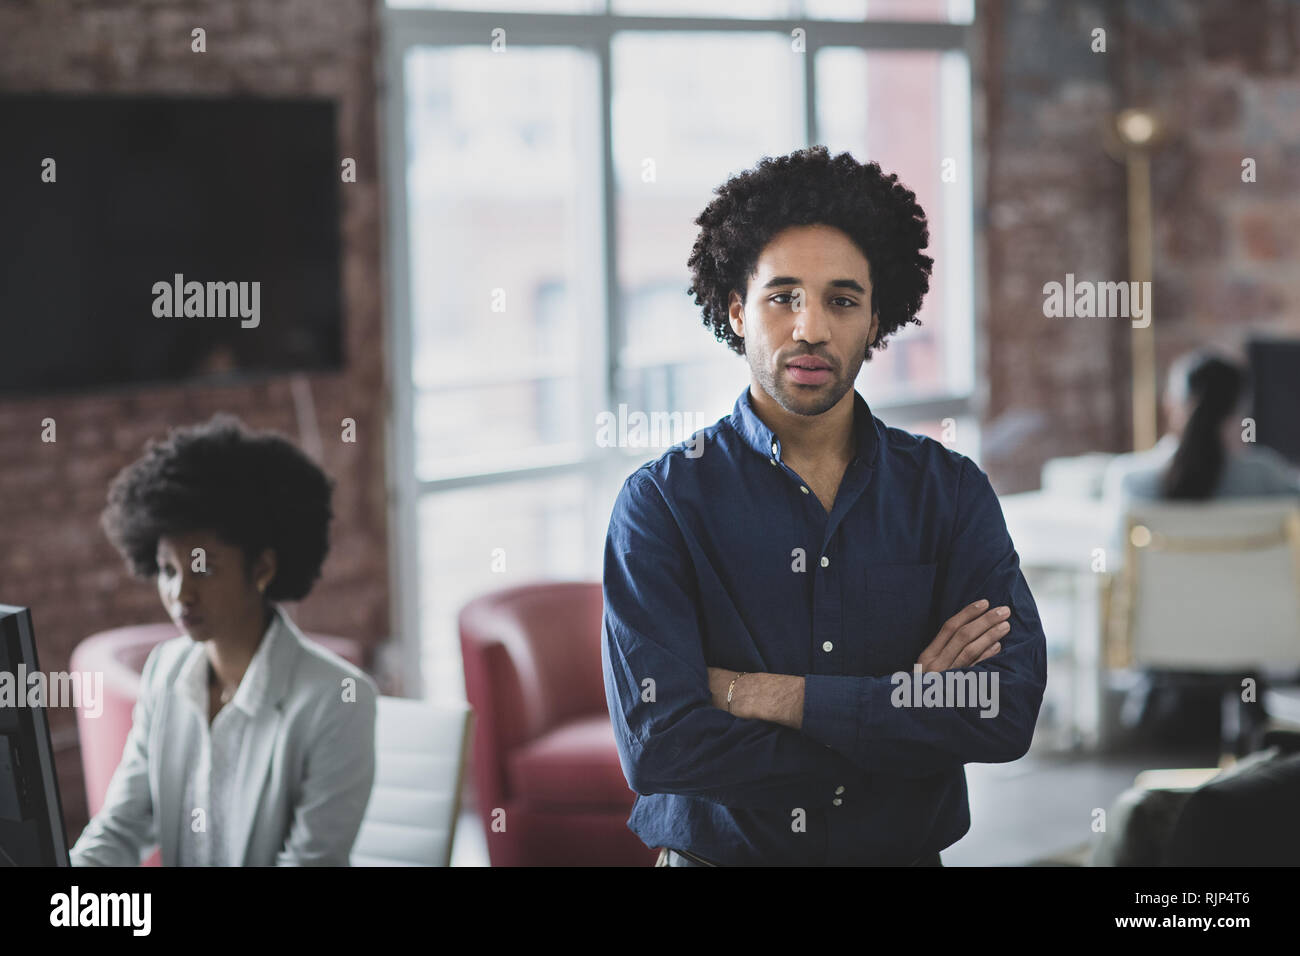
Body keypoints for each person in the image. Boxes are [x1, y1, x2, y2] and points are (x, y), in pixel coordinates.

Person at [601, 146, 1047, 866]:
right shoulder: (661, 504)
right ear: (738, 310)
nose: (811, 328)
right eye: (783, 297)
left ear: (878, 321)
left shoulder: (949, 490)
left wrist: (764, 695)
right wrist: (900, 718)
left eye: (842, 300)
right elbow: (660, 744)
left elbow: (1005, 711)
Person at [71, 414, 377, 866]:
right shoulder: (165, 672)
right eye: (168, 570)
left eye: (202, 568)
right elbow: (121, 827)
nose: (179, 593)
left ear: (262, 569)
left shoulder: (337, 701)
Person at [1101, 352, 1300, 749]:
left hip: (1163, 651)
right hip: (1254, 641)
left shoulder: (1131, 482)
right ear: (1241, 411)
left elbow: (1114, 568)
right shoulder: (1270, 479)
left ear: (1171, 404)